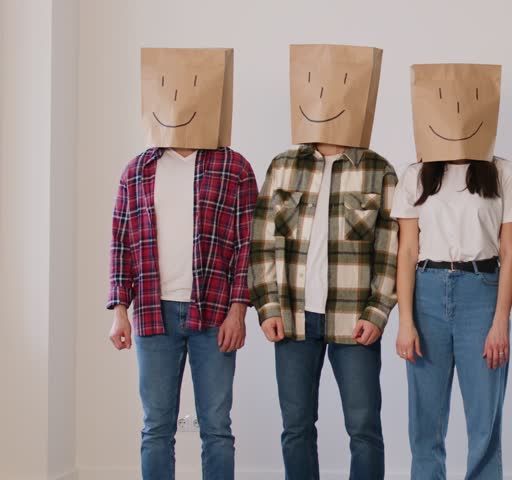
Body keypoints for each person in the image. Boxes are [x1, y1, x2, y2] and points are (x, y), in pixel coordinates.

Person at [107, 47, 256, 480]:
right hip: (153, 313)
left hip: (215, 313)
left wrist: (239, 310)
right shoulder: (137, 170)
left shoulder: (234, 167)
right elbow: (121, 243)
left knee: (217, 427)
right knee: (156, 427)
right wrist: (119, 310)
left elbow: (247, 245)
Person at [250, 141, 398, 479]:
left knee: (364, 427)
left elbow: (389, 249)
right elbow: (261, 240)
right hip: (292, 316)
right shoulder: (283, 165)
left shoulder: (378, 169)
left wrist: (377, 310)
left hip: (355, 319)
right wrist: (268, 306)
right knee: (296, 426)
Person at [393, 156, 512, 479]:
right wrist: (405, 321)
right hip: (426, 293)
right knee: (425, 420)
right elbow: (407, 251)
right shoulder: (416, 174)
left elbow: (509, 252)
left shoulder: (503, 173)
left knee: (484, 419)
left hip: (482, 292)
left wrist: (500, 321)